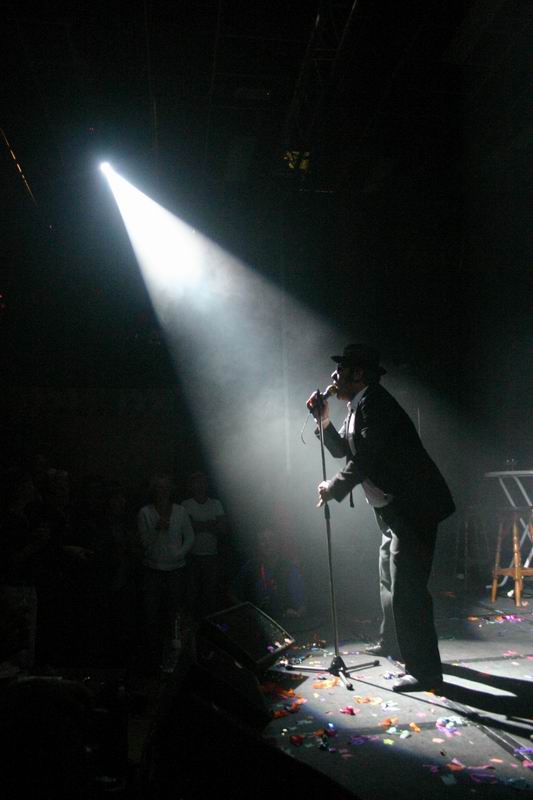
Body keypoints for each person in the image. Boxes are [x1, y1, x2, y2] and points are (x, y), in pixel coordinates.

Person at [307, 343, 455, 692]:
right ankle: (394, 643)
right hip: (390, 509)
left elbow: (367, 458)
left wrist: (333, 487)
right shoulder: (359, 406)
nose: (333, 376)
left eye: (341, 369)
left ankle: (425, 671)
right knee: (389, 580)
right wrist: (323, 420)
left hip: (414, 508)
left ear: (358, 373)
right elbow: (344, 450)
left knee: (408, 590)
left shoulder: (376, 404)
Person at [138, 474, 194, 673]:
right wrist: (156, 529)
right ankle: (153, 659)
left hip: (176, 569)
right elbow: (144, 542)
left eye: (165, 487)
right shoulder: (145, 512)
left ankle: (173, 658)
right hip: (153, 568)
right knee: (151, 614)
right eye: (158, 487)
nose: (162, 491)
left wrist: (179, 553)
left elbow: (190, 536)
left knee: (174, 613)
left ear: (171, 490)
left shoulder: (180, 511)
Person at [231, 527, 306, 620]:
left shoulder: (289, 568)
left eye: (271, 539)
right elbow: (232, 594)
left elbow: (302, 605)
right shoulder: (251, 566)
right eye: (263, 540)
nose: (267, 544)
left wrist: (297, 614)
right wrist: (246, 612)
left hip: (283, 622)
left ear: (278, 543)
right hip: (256, 622)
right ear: (258, 545)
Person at [181, 471, 227, 619]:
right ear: (191, 485)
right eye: (197, 482)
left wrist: (198, 525)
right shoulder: (185, 505)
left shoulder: (216, 503)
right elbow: (186, 528)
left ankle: (211, 623)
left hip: (211, 555)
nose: (200, 485)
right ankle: (191, 622)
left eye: (203, 482)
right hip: (192, 556)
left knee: (211, 592)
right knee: (191, 592)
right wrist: (211, 524)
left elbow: (223, 528)